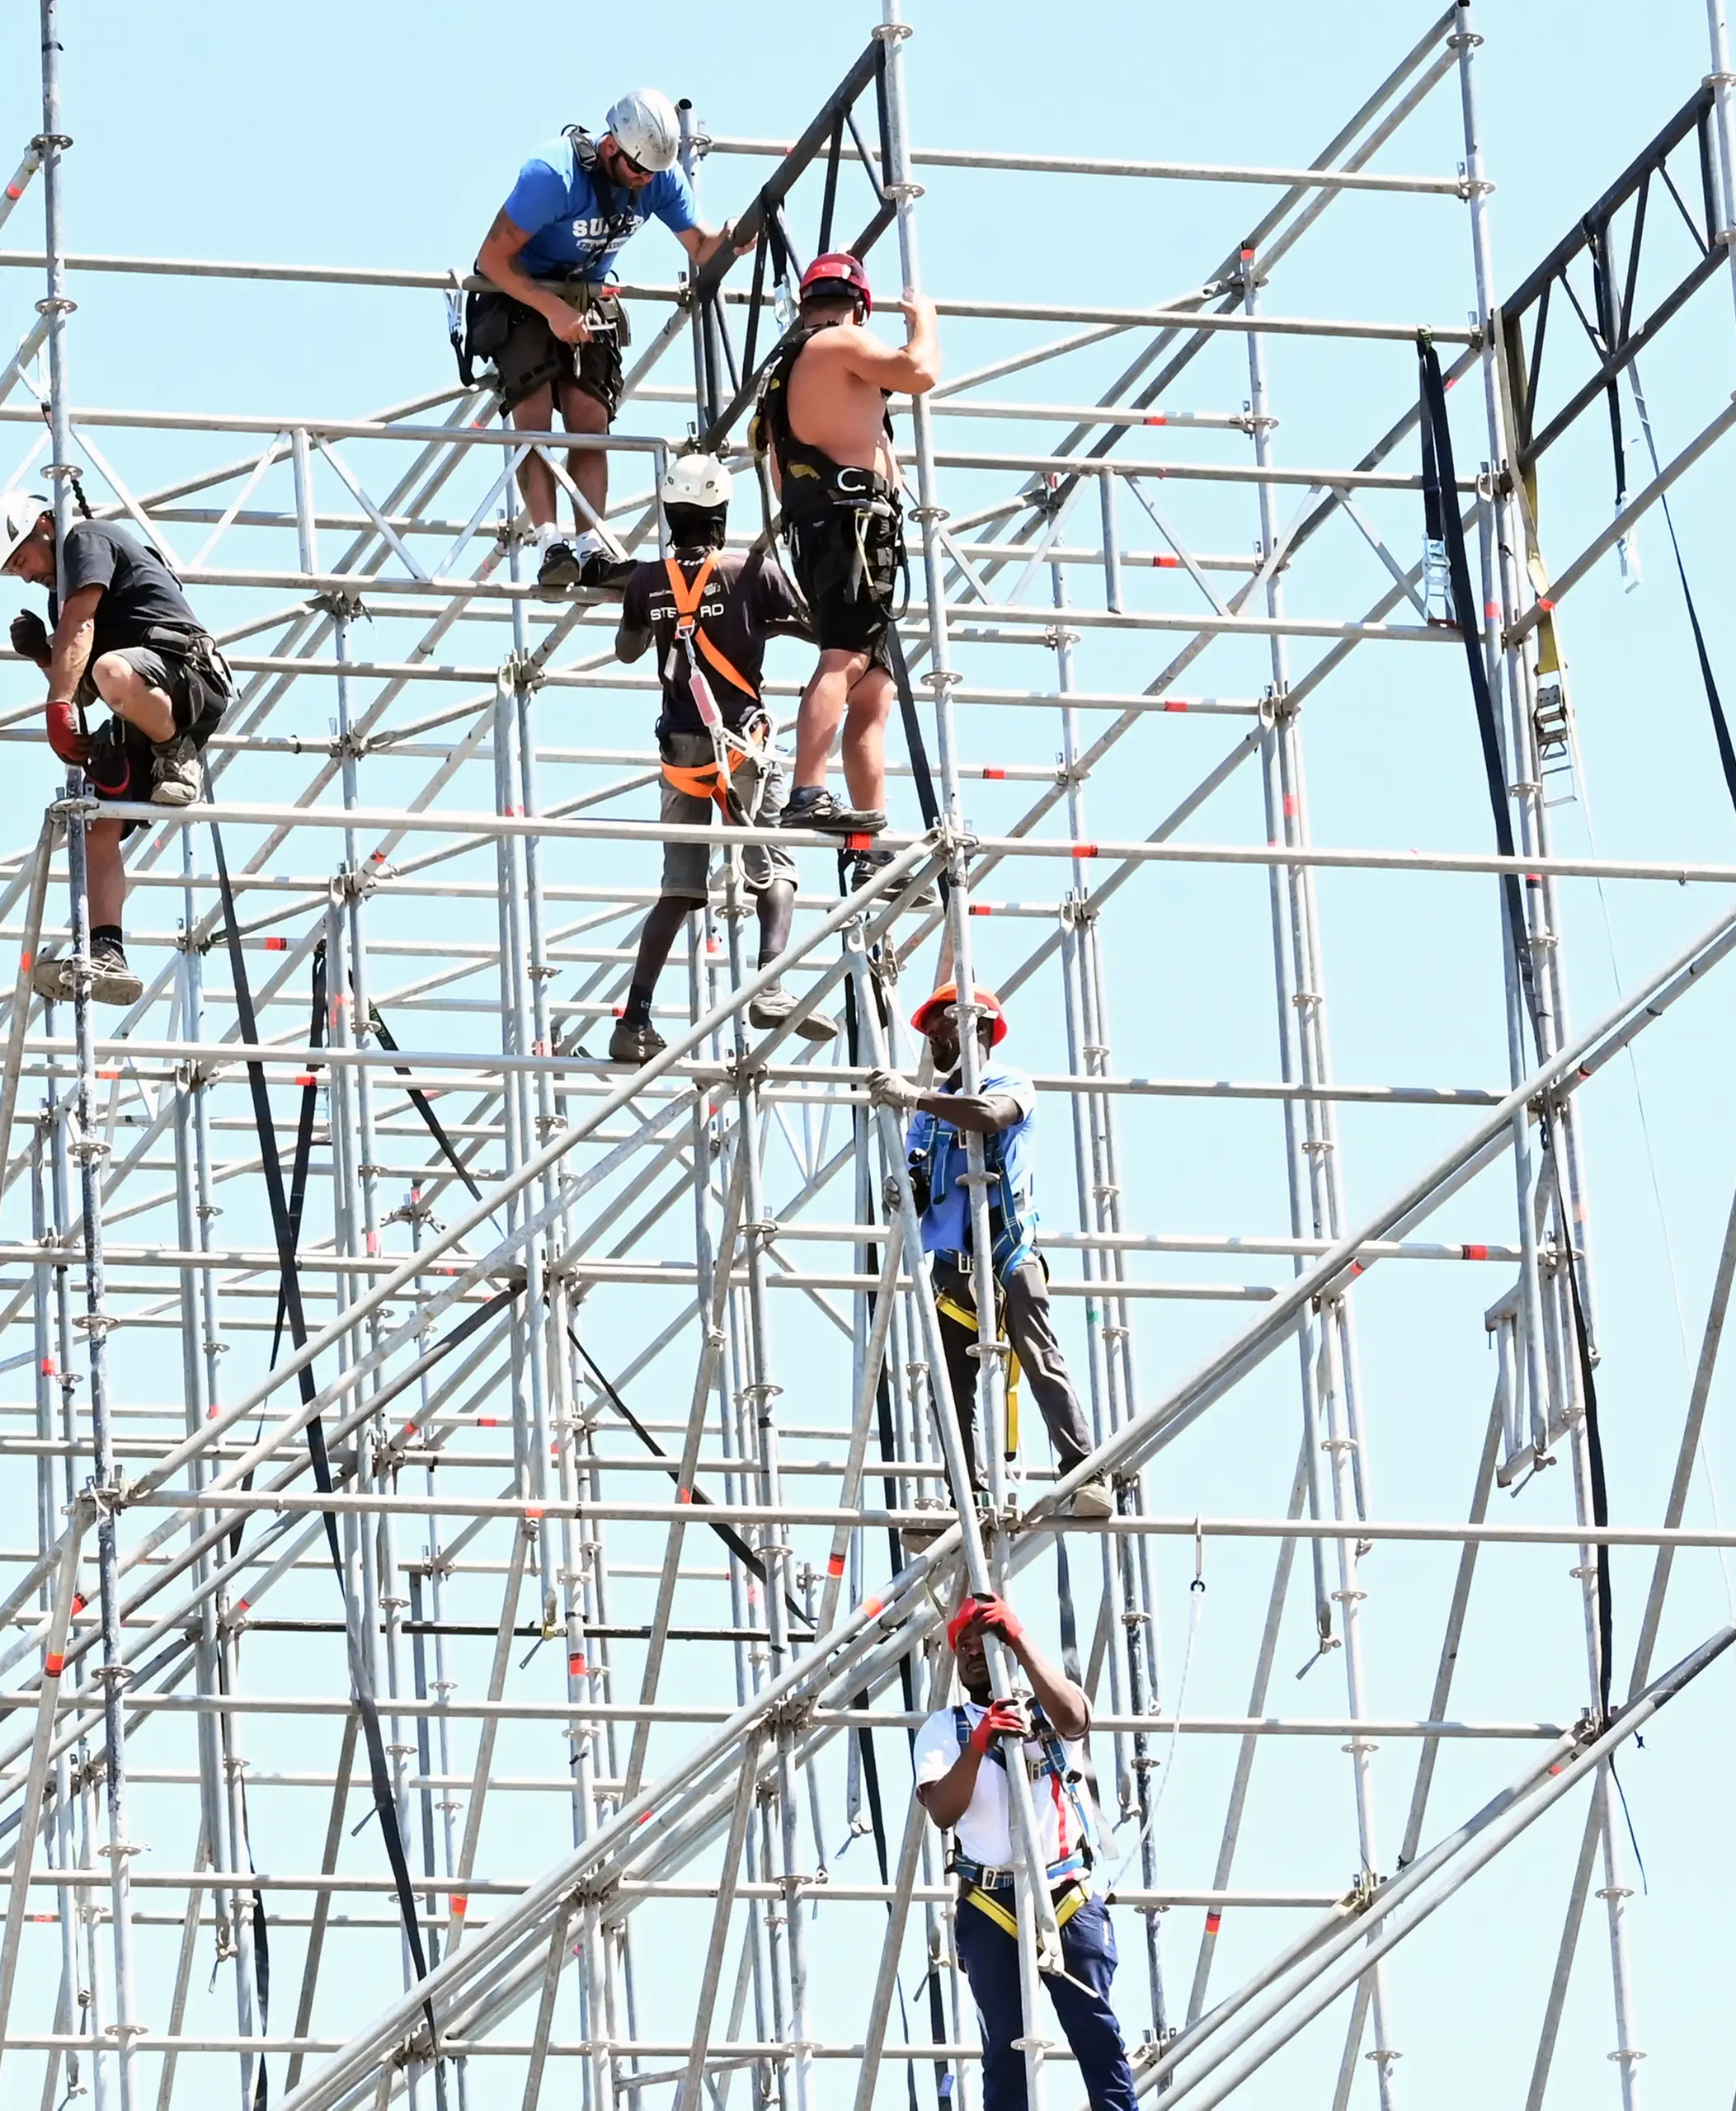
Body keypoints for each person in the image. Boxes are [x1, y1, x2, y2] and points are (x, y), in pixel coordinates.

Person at [602, 451, 840, 1062]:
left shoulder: (647, 580)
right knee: (774, 869)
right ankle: (771, 984)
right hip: (741, 747)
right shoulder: (750, 572)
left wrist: (648, 598)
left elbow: (628, 651)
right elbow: (819, 627)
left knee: (679, 890)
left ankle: (634, 1021)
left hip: (681, 751)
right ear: (720, 513)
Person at [469, 88, 745, 590]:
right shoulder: (552, 177)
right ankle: (552, 543)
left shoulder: (659, 178)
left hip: (585, 293)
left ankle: (592, 546)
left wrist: (732, 237)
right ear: (613, 149)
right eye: (638, 171)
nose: (644, 183)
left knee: (590, 421)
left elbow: (702, 247)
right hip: (520, 294)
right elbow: (491, 259)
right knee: (534, 414)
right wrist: (550, 308)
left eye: (652, 175)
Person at [0, 488, 233, 1007]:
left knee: (113, 670)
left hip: (185, 678)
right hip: (139, 699)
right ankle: (107, 947)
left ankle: (176, 751)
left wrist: (57, 703)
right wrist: (45, 657)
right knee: (93, 823)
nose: (23, 574)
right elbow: (84, 684)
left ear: (45, 525)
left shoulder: (84, 541)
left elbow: (84, 635)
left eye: (22, 558)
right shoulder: (60, 594)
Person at [863, 985, 1116, 1520]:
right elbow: (917, 1173)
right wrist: (901, 1185)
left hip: (1009, 1246)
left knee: (1038, 1352)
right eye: (930, 1031)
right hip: (953, 1267)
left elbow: (989, 1115)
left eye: (942, 1027)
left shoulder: (1009, 1084)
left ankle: (1084, 1470)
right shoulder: (928, 1116)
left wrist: (913, 1096)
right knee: (948, 1385)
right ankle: (971, 1497)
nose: (932, 1040)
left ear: (978, 1029)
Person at [911, 1593, 1142, 2111]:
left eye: (983, 1640)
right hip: (991, 1898)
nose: (974, 1652)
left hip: (1063, 1890)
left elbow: (1077, 1718)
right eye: (963, 1645)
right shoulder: (945, 1730)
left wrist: (1017, 1636)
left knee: (1097, 2034)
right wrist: (980, 1742)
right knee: (1005, 2051)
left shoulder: (1042, 1706)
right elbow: (944, 1810)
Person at [749, 249, 940, 847]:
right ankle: (808, 788)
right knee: (844, 659)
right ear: (859, 305)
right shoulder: (837, 344)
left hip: (836, 528)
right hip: (849, 528)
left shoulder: (787, 368)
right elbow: (919, 372)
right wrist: (925, 322)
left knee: (873, 690)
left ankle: (866, 850)